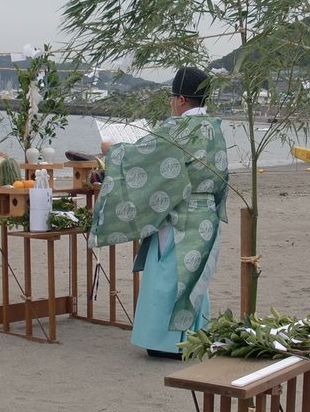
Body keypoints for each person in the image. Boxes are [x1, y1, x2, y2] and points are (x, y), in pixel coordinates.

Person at [88, 67, 229, 359]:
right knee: (195, 279)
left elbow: (144, 157)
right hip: (208, 216)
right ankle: (193, 338)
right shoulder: (214, 127)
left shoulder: (178, 129)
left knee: (169, 276)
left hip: (180, 217)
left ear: (179, 100)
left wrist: (112, 150)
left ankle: (165, 343)